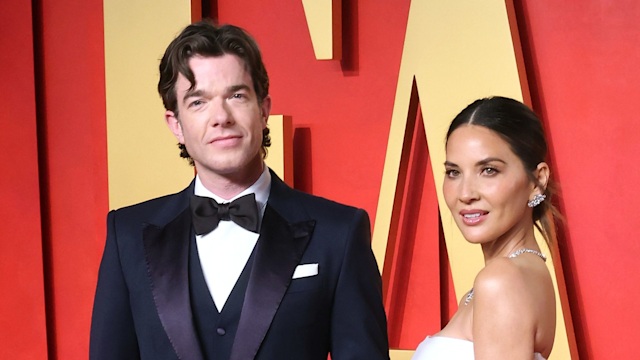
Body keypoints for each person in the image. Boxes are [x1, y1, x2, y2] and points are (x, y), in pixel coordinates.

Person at [90, 20, 389, 360]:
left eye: (236, 95)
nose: (221, 117)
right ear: (176, 124)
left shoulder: (339, 232)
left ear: (263, 110)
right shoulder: (127, 234)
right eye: (198, 102)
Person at [412, 96, 557, 360]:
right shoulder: (519, 274)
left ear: (537, 181)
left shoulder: (501, 282)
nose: (465, 193)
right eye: (454, 172)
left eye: (489, 170)